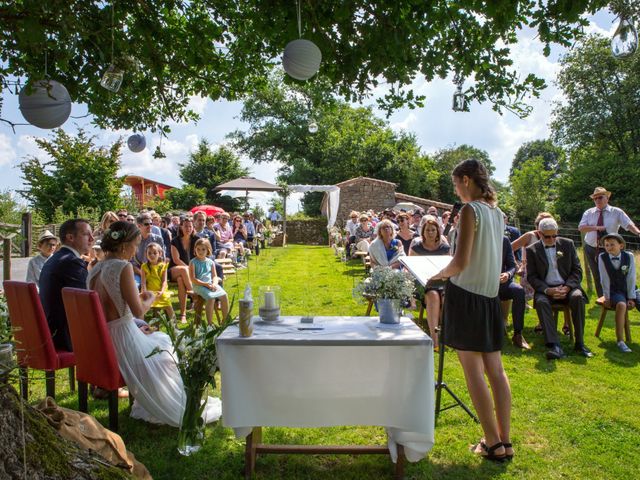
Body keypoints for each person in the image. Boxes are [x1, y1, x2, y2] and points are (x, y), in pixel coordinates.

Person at [87, 221, 221, 427]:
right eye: (135, 245)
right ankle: (168, 402)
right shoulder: (122, 267)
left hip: (102, 339)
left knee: (158, 338)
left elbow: (110, 309)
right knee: (165, 344)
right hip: (122, 340)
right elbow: (138, 310)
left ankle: (150, 398)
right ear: (124, 246)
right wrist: (149, 298)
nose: (136, 250)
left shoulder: (95, 268)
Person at [431, 159, 512, 462]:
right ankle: (505, 439)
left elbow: (461, 261)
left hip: (466, 295)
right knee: (496, 371)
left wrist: (437, 274)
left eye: (455, 184)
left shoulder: (470, 210)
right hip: (490, 296)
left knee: (473, 372)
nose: (456, 190)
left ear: (466, 180)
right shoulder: (498, 212)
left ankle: (491, 442)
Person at [526, 217, 593, 360]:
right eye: (547, 236)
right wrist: (547, 290)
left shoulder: (567, 244)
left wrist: (568, 287)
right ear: (539, 233)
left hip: (567, 286)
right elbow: (532, 277)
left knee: (577, 297)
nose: (551, 239)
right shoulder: (532, 250)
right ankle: (554, 345)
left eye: (554, 235)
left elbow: (577, 270)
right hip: (546, 289)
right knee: (542, 302)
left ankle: (580, 343)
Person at [39, 219, 94, 351]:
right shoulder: (71, 262)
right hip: (66, 337)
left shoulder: (54, 259)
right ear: (70, 237)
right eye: (87, 234)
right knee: (131, 329)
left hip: (51, 330)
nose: (92, 239)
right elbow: (87, 304)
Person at [578, 187, 640, 297]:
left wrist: (638, 233)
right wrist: (597, 228)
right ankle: (603, 298)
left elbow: (629, 225)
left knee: (616, 272)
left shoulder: (617, 212)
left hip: (611, 249)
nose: (597, 200)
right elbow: (581, 228)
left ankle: (619, 295)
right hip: (591, 248)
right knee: (597, 274)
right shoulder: (589, 212)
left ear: (607, 198)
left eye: (600, 197)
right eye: (595, 198)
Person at [409, 216, 450, 350]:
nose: (430, 232)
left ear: (438, 231)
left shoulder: (444, 247)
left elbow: (447, 268)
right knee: (433, 295)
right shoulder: (416, 247)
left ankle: (447, 334)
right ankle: (435, 338)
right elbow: (412, 268)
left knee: (445, 296)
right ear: (423, 232)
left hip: (442, 281)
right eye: (428, 230)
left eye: (433, 230)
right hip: (423, 282)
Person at [598, 233, 636, 353]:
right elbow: (604, 279)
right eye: (606, 245)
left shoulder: (629, 256)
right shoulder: (602, 257)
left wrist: (631, 297)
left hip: (629, 288)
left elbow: (631, 277)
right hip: (613, 290)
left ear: (621, 245)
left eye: (612, 245)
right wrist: (607, 297)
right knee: (621, 304)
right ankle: (620, 341)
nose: (609, 248)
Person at [189, 238, 229, 326]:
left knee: (224, 295)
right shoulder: (193, 262)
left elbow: (214, 276)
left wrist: (214, 284)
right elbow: (193, 279)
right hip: (198, 285)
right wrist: (206, 284)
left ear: (208, 250)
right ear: (195, 249)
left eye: (203, 249)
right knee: (211, 298)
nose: (200, 251)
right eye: (198, 249)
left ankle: (225, 320)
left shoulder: (210, 262)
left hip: (210, 284)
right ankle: (210, 324)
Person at [499, 236, 529, 349]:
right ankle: (498, 327)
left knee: (519, 291)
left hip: (503, 282)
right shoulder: (480, 239)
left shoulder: (504, 240)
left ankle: (518, 334)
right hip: (485, 283)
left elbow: (512, 266)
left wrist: (508, 274)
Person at [169, 216, 198, 323]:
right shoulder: (175, 241)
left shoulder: (196, 240)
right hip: (174, 270)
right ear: (181, 227)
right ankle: (193, 295)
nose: (188, 228)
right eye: (186, 226)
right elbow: (176, 260)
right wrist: (190, 269)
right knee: (183, 271)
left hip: (189, 273)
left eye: (190, 226)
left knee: (181, 281)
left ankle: (183, 315)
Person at [141, 242, 175, 321]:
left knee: (169, 309)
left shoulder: (163, 266)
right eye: (149, 253)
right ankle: (155, 329)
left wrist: (162, 291)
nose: (152, 255)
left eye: (154, 253)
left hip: (161, 291)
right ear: (146, 254)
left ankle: (175, 329)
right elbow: (143, 282)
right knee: (156, 312)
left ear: (159, 254)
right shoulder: (144, 267)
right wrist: (144, 292)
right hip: (151, 292)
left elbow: (164, 281)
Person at [132, 213, 164, 288]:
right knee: (134, 286)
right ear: (139, 226)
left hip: (155, 271)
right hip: (138, 271)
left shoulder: (158, 239)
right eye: (146, 224)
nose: (150, 226)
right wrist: (142, 273)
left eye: (151, 223)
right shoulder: (133, 240)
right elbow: (131, 262)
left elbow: (162, 259)